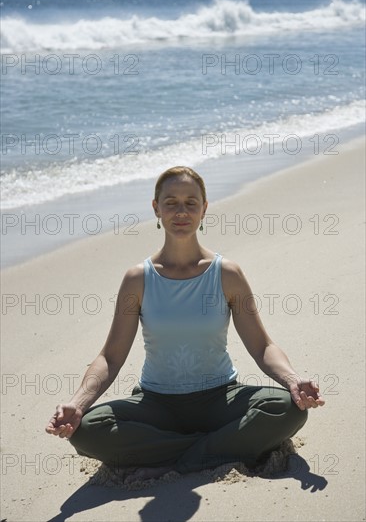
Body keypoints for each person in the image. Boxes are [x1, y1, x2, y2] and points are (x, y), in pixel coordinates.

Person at [45, 165, 325, 482]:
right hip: (157, 404)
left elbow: (262, 346)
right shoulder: (138, 279)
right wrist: (78, 403)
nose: (181, 211)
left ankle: (175, 456)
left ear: (204, 209)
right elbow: (110, 357)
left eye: (191, 202)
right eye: (171, 202)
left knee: (288, 409)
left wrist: (292, 380)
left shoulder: (226, 274)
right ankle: (215, 450)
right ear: (156, 208)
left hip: (221, 398)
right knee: (86, 432)